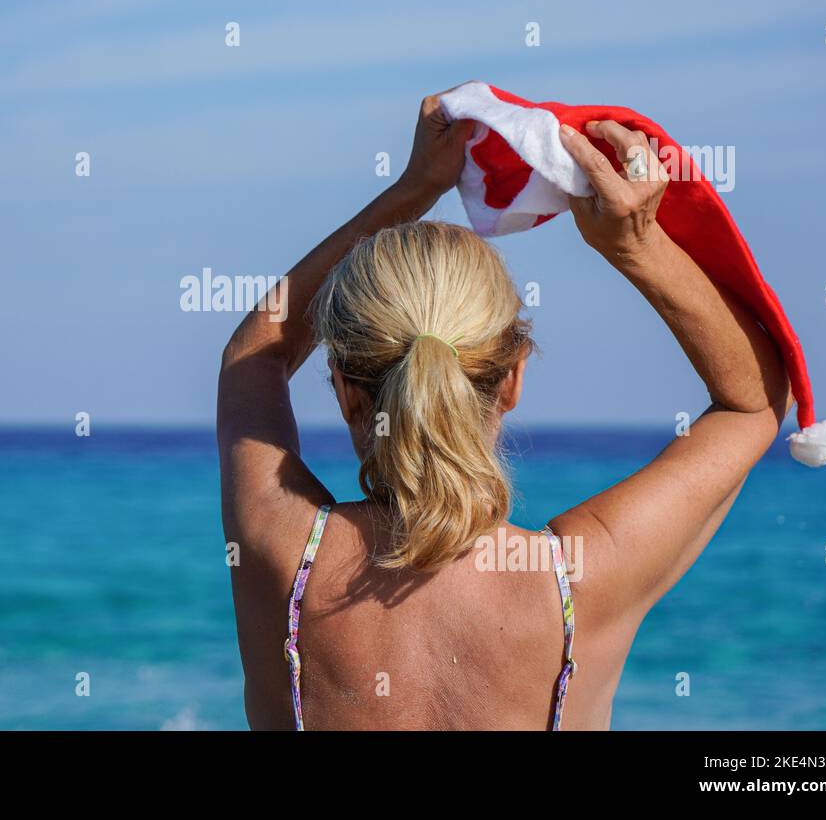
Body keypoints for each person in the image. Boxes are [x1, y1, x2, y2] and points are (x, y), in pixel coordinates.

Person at [217, 91, 792, 730]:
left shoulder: (282, 546)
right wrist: (636, 245)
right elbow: (754, 404)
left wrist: (415, 189)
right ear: (513, 377)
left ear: (344, 386)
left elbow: (256, 352)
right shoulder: (579, 580)